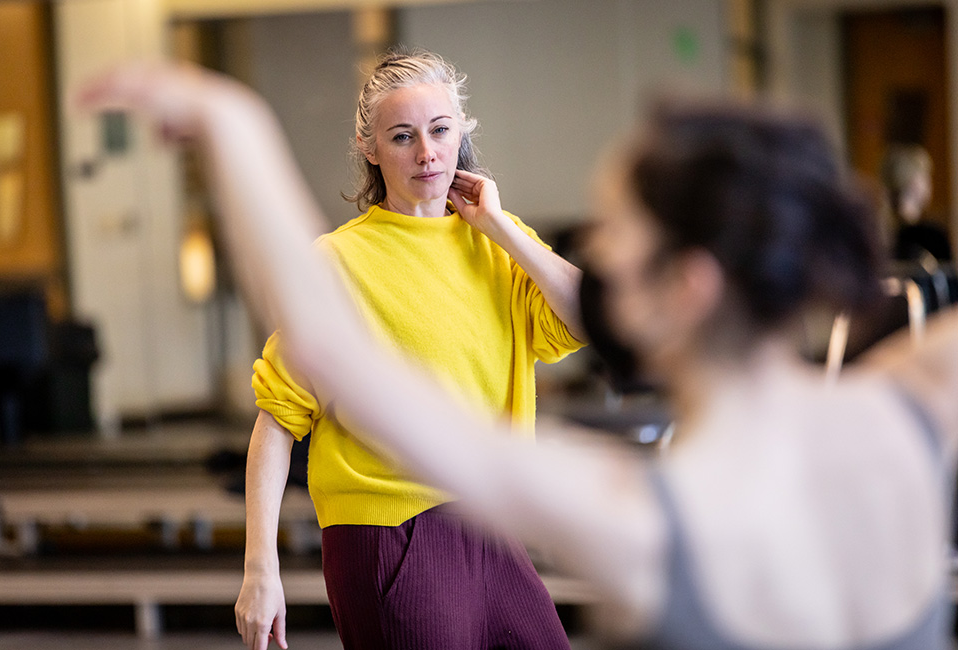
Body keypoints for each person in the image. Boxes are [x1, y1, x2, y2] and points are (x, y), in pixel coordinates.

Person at [79, 64, 958, 650]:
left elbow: (361, 376)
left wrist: (231, 127)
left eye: (612, 235)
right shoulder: (909, 405)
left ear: (685, 287)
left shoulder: (649, 515)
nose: (594, 253)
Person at [240, 49, 584, 650]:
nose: (427, 152)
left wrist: (500, 227)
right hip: (389, 531)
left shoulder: (497, 241)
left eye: (441, 130)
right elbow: (276, 421)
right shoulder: (337, 263)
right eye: (403, 136)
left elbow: (586, 316)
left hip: (492, 524)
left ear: (461, 133)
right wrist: (259, 569)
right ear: (370, 147)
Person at [881, 144, 953, 264]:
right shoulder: (932, 237)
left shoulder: (879, 233)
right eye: (926, 177)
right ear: (914, 182)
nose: (929, 184)